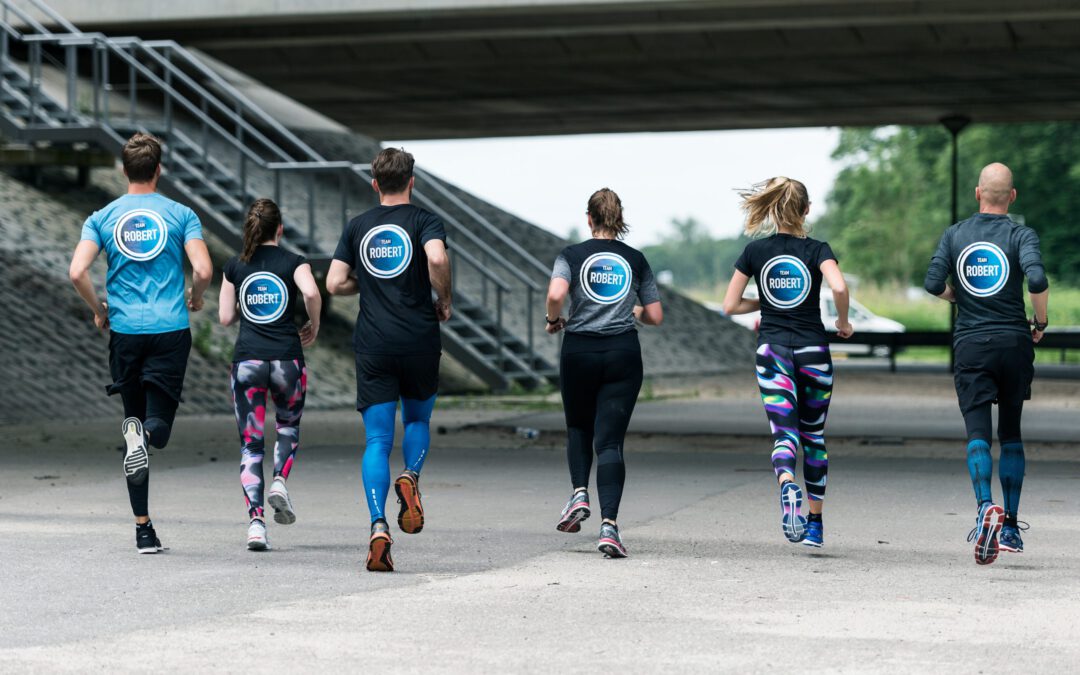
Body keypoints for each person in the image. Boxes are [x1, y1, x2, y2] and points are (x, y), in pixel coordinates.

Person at [68, 132, 212, 554]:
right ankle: (145, 436)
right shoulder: (181, 214)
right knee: (158, 429)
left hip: (126, 332)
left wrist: (100, 309)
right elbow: (202, 267)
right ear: (159, 170)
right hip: (170, 330)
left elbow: (77, 272)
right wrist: (198, 296)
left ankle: (143, 530)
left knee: (133, 419)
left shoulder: (102, 217)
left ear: (122, 170)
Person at [326, 148, 451, 572]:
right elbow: (436, 258)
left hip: (374, 344)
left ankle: (379, 526)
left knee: (377, 441)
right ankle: (411, 477)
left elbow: (333, 282)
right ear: (412, 181)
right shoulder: (424, 220)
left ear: (375, 184)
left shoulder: (358, 226)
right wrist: (443, 298)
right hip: (418, 339)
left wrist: (368, 285)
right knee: (416, 421)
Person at [924, 162, 1048, 566]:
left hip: (972, 344)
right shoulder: (1020, 235)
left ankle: (984, 510)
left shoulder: (956, 235)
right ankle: (1010, 526)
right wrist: (1040, 322)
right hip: (1014, 342)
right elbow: (1037, 280)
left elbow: (931, 283)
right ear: (1012, 196)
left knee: (978, 431)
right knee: (1010, 432)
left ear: (978, 194)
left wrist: (955, 297)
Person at [722, 177, 852, 549]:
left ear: (773, 210)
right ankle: (814, 524)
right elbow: (840, 288)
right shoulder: (818, 249)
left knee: (784, 433)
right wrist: (842, 322)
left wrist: (769, 300)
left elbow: (730, 305)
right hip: (814, 352)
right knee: (813, 435)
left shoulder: (755, 251)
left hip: (773, 352)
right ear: (807, 210)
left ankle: (786, 485)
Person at [545, 188, 663, 559]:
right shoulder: (635, 259)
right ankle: (609, 526)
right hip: (622, 353)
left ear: (589, 218)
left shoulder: (572, 256)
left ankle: (579, 494)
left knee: (579, 426)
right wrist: (633, 312)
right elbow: (656, 315)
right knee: (609, 442)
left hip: (579, 350)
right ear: (618, 218)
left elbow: (555, 294)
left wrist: (553, 320)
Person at [218, 199, 321, 551]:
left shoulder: (235, 266)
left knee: (251, 445)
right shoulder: (294, 262)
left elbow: (225, 318)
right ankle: (279, 481)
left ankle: (257, 524)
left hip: (247, 362)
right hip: (286, 362)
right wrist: (313, 324)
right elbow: (310, 292)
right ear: (280, 228)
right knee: (287, 427)